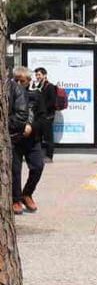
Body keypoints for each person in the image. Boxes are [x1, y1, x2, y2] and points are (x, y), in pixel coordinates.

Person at [8, 68, 38, 215]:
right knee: (15, 170)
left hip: (32, 139)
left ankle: (27, 193)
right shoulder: (10, 93)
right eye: (17, 80)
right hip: (15, 137)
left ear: (29, 81)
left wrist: (31, 126)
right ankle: (16, 199)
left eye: (22, 81)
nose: (19, 83)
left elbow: (41, 114)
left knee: (38, 166)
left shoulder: (36, 95)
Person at [29, 68, 57, 160]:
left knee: (48, 137)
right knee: (38, 136)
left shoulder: (50, 86)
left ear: (45, 75)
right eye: (36, 75)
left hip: (48, 116)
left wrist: (43, 109)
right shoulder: (37, 87)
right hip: (39, 117)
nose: (37, 77)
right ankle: (39, 155)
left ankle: (49, 156)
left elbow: (52, 102)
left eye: (39, 75)